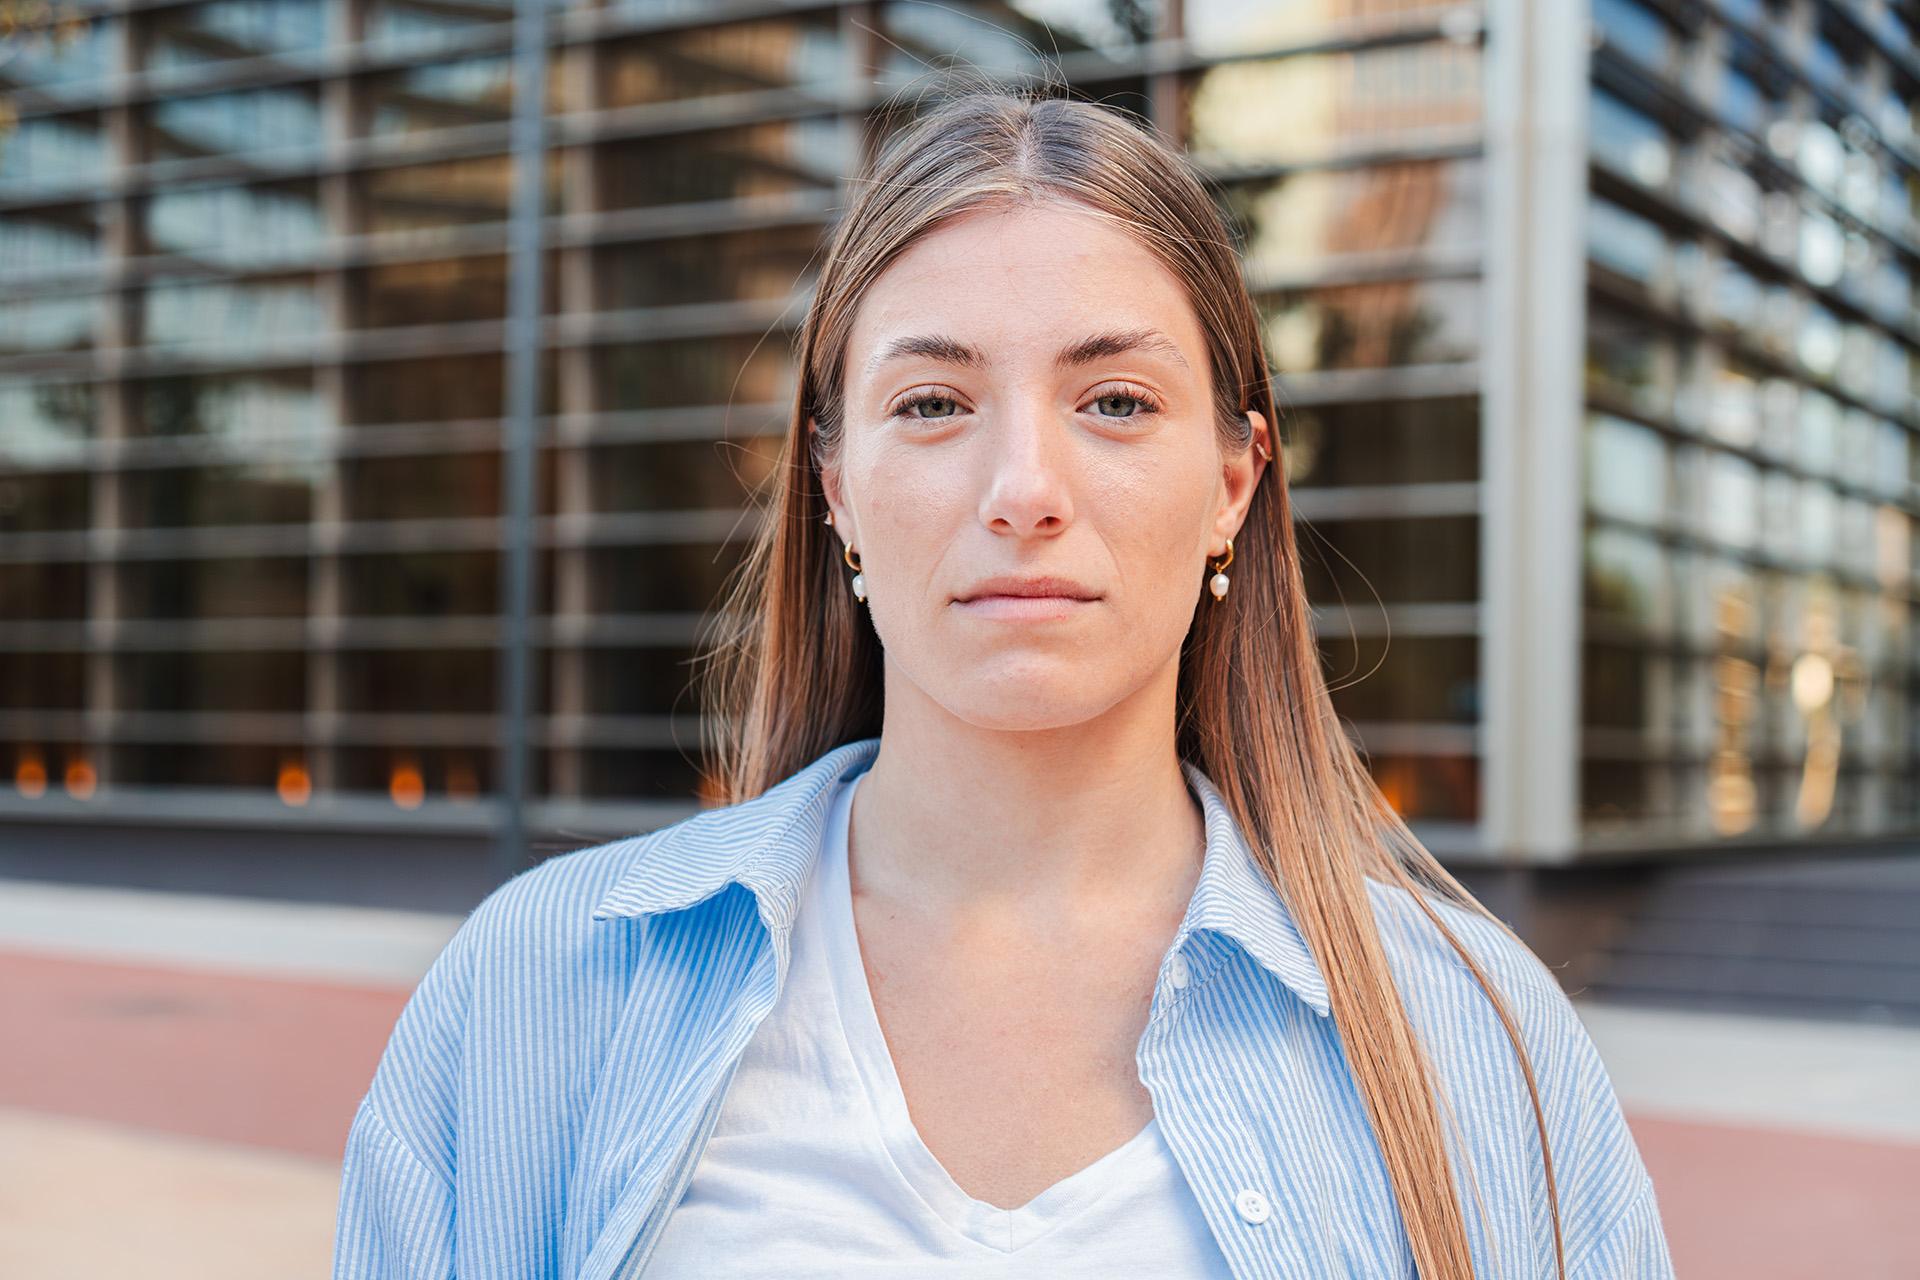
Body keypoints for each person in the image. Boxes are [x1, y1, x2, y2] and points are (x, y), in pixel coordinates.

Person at [334, 92, 1672, 1280]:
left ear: (1232, 481)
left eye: (1117, 402)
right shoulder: (537, 990)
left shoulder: (1473, 1045)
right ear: (837, 485)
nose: (1024, 491)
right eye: (931, 404)